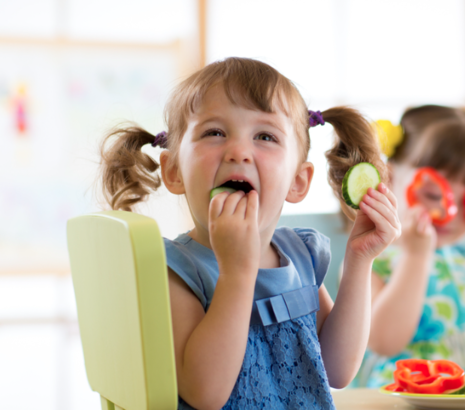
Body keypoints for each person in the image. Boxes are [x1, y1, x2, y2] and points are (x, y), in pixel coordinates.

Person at [98, 57, 401, 409]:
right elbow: (205, 393)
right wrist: (237, 272)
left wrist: (360, 260)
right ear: (174, 171)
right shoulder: (175, 270)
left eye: (265, 136)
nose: (239, 151)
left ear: (298, 181)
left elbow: (337, 369)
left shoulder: (300, 255)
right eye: (214, 133)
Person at [360, 105, 465, 388]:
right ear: (389, 177)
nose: (449, 213)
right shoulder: (372, 257)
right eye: (432, 194)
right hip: (412, 391)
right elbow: (383, 341)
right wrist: (416, 256)